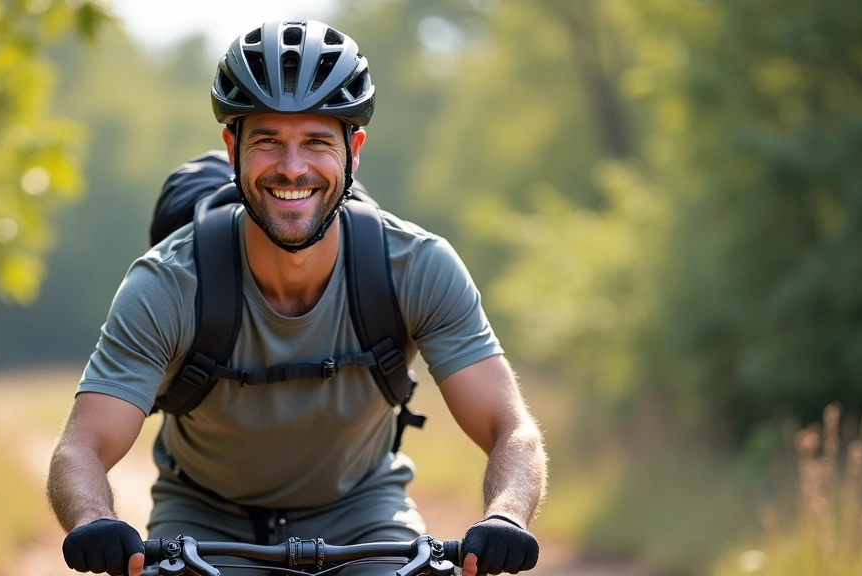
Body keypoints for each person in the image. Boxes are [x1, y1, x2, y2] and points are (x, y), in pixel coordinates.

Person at [46, 20, 547, 576]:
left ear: (353, 151)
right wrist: (93, 519)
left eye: (316, 141)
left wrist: (505, 517)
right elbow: (81, 447)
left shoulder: (416, 267)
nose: (292, 167)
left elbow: (511, 427)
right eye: (267, 141)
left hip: (364, 515)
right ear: (232, 147)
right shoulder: (167, 284)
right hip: (203, 522)